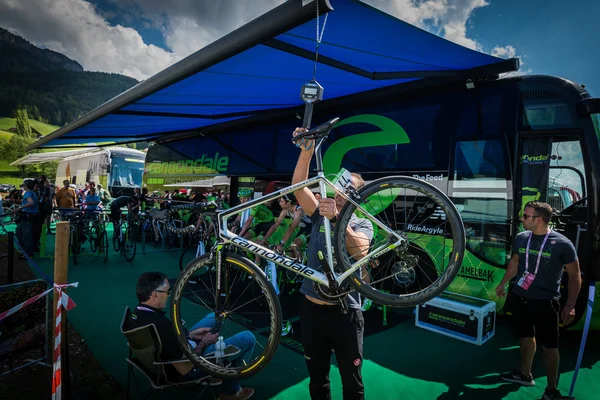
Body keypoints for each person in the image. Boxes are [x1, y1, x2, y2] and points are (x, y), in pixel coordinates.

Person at [291, 127, 373, 400]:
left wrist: (338, 217)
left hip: (346, 313)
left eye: (347, 191)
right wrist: (306, 152)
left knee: (352, 383)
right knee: (317, 380)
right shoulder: (318, 212)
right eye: (338, 188)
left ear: (355, 197)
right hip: (312, 310)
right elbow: (298, 188)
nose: (339, 194)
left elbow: (361, 250)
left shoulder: (362, 221)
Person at [496, 201, 581, 400]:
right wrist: (503, 284)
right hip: (521, 297)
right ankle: (524, 374)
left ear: (539, 220)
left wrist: (570, 305)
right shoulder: (521, 237)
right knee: (525, 337)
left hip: (546, 301)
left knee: (549, 347)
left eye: (526, 216)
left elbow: (575, 276)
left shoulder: (562, 244)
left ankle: (551, 391)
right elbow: (515, 262)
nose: (522, 219)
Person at [126, 272, 255, 400]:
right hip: (187, 368)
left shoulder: (136, 315)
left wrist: (191, 334)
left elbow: (169, 340)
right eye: (167, 292)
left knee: (213, 317)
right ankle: (229, 392)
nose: (169, 295)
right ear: (154, 295)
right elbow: (185, 369)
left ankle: (217, 375)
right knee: (248, 338)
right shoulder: (161, 326)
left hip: (170, 353)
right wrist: (204, 342)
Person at [14, 179, 39, 259]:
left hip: (28, 216)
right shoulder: (32, 193)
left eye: (24, 185)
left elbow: (31, 202)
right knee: (19, 231)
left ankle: (28, 253)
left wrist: (20, 208)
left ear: (26, 186)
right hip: (28, 216)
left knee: (26, 235)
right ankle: (25, 250)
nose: (23, 186)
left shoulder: (28, 193)